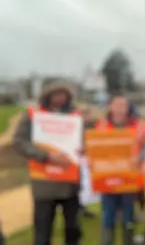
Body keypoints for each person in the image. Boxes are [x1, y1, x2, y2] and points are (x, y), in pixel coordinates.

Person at [13, 81, 81, 245]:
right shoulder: (33, 115)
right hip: (44, 184)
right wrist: (45, 156)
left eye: (63, 94)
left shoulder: (75, 117)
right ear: (48, 96)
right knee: (42, 233)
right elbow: (19, 141)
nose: (60, 98)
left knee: (73, 231)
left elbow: (85, 141)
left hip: (70, 185)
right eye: (56, 94)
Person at [95, 93, 145, 245]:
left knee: (128, 218)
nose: (120, 109)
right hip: (107, 181)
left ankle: (128, 241)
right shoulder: (101, 126)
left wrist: (140, 157)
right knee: (107, 217)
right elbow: (95, 149)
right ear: (110, 106)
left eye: (123, 105)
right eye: (117, 105)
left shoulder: (139, 126)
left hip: (130, 181)